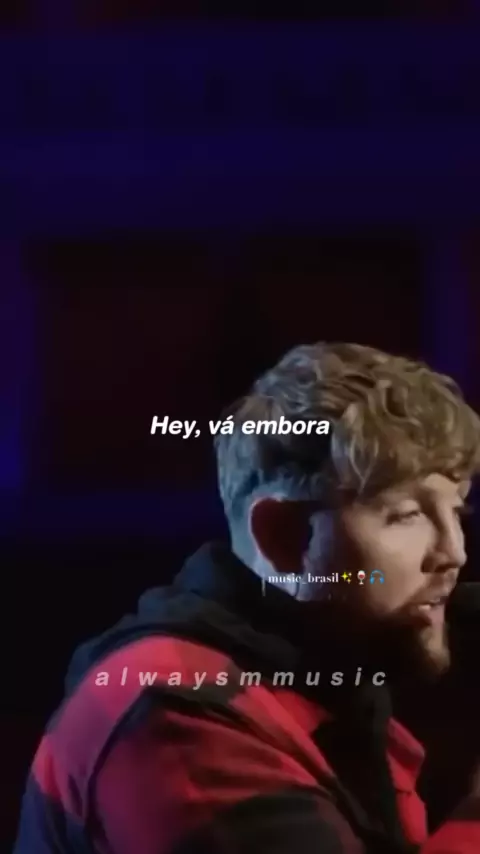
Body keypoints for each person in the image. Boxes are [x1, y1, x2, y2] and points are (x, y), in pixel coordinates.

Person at [13, 342, 480, 854]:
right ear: (282, 536)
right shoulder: (177, 713)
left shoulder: (325, 679)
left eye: (457, 512)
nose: (453, 552)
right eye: (406, 515)